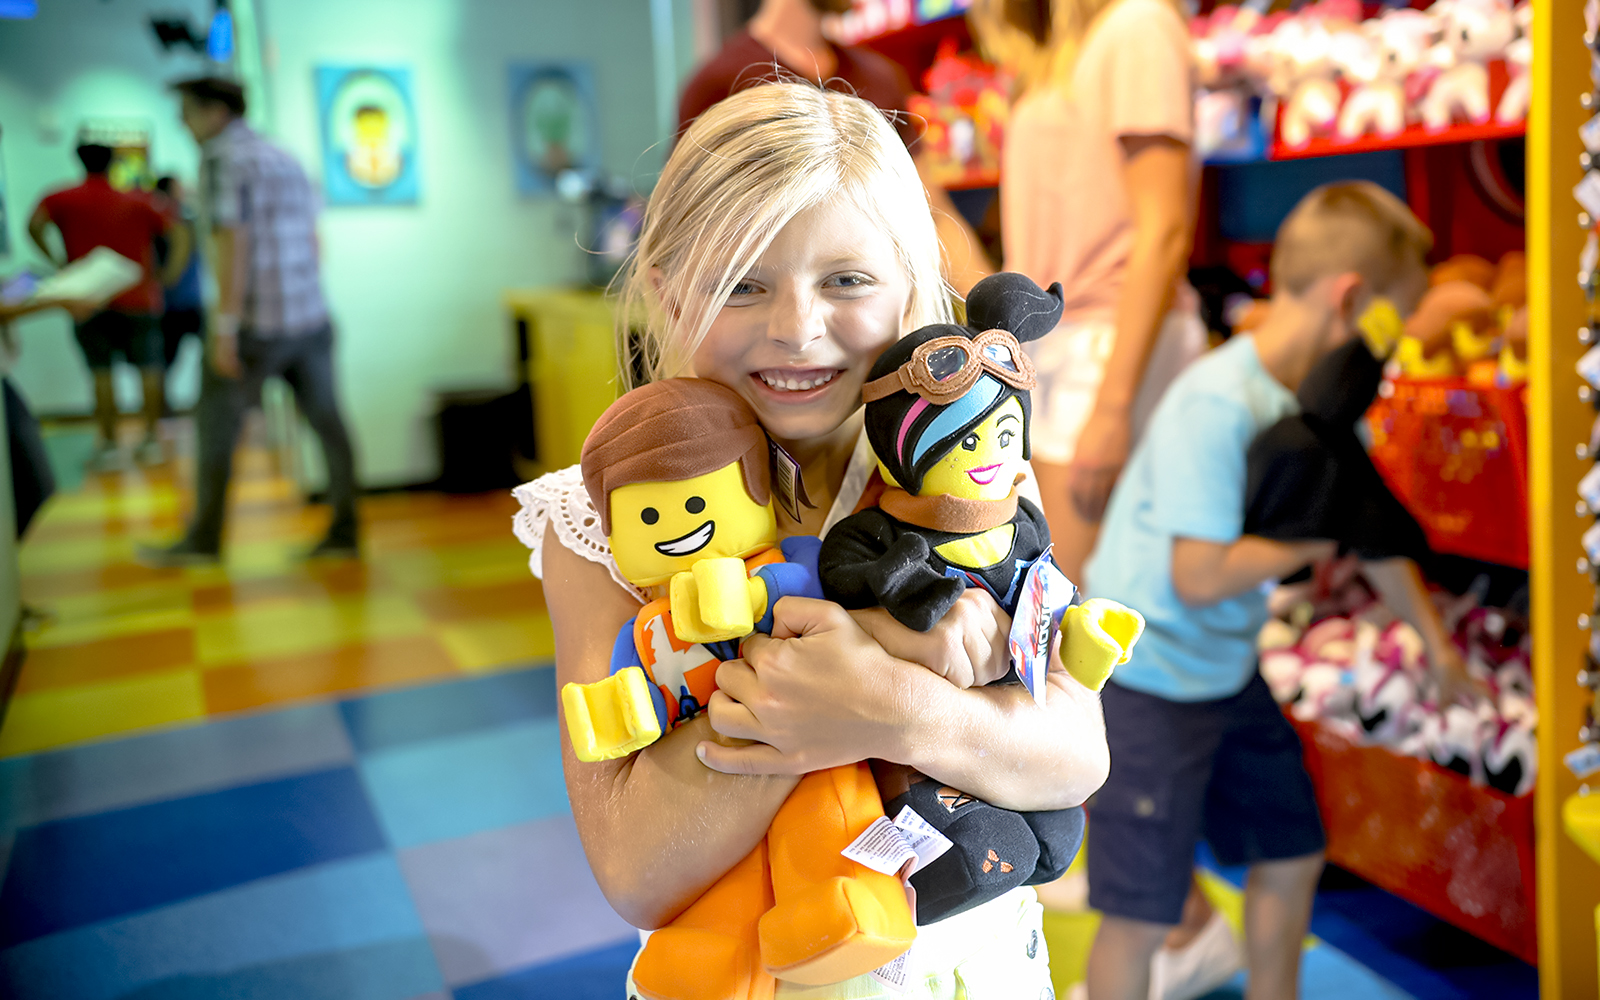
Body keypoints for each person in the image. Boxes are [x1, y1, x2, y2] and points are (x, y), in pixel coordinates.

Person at [515, 82, 1111, 997]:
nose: (797, 327)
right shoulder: (600, 524)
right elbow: (634, 868)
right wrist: (830, 704)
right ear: (669, 296)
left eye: (846, 280)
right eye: (741, 283)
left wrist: (900, 713)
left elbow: (1077, 753)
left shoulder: (965, 471)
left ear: (913, 285)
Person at [1080, 182, 1474, 1000]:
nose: (1392, 349)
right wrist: (1309, 539)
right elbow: (1198, 576)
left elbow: (1363, 528)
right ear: (1353, 301)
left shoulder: (1322, 410)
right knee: (1141, 915)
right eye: (1390, 327)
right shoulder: (1218, 403)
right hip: (1147, 681)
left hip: (1223, 673)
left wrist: (1434, 644)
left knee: (1291, 853)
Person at [969, 0, 1206, 585]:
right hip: (1060, 342)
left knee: (1064, 592)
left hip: (1109, 344)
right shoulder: (1061, 53)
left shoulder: (1137, 27)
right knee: (1053, 588)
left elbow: (1166, 229)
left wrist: (1112, 406)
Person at [140, 77, 359, 565]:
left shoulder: (221, 159)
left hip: (255, 326)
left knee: (216, 426)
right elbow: (314, 239)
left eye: (188, 111)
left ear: (217, 112)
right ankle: (346, 531)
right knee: (329, 425)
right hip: (309, 316)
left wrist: (223, 327)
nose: (182, 122)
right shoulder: (284, 155)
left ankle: (203, 541)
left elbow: (231, 242)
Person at [679, 0, 996, 295]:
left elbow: (934, 216)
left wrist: (996, 314)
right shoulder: (721, 86)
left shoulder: (879, 79)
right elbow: (691, 242)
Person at [28, 142, 187, 469]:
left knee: (100, 372)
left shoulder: (60, 197)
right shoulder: (139, 199)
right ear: (113, 162)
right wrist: (170, 273)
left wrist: (60, 263)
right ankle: (151, 440)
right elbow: (180, 232)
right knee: (149, 369)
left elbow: (33, 226)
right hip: (139, 297)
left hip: (87, 297)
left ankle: (110, 446)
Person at [153, 176, 206, 388]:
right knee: (165, 362)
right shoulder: (174, 219)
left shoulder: (182, 217)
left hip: (185, 299)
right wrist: (168, 279)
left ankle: (162, 410)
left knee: (166, 362)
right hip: (176, 300)